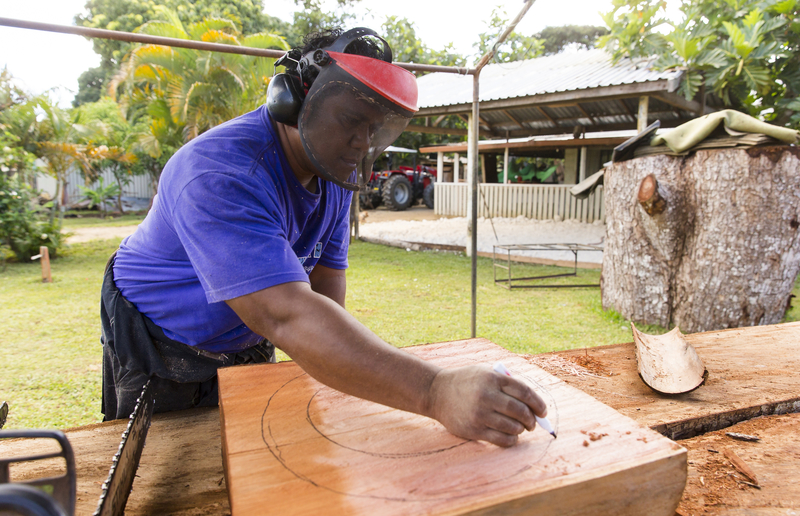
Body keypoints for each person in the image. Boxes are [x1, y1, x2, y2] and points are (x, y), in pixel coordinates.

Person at [100, 27, 547, 447]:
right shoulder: (218, 173)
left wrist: (352, 373)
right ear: (293, 100)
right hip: (160, 332)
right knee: (171, 459)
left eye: (373, 128)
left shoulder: (332, 171)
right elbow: (287, 317)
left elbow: (324, 303)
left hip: (247, 330)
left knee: (249, 448)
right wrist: (434, 390)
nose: (362, 142)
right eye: (351, 119)